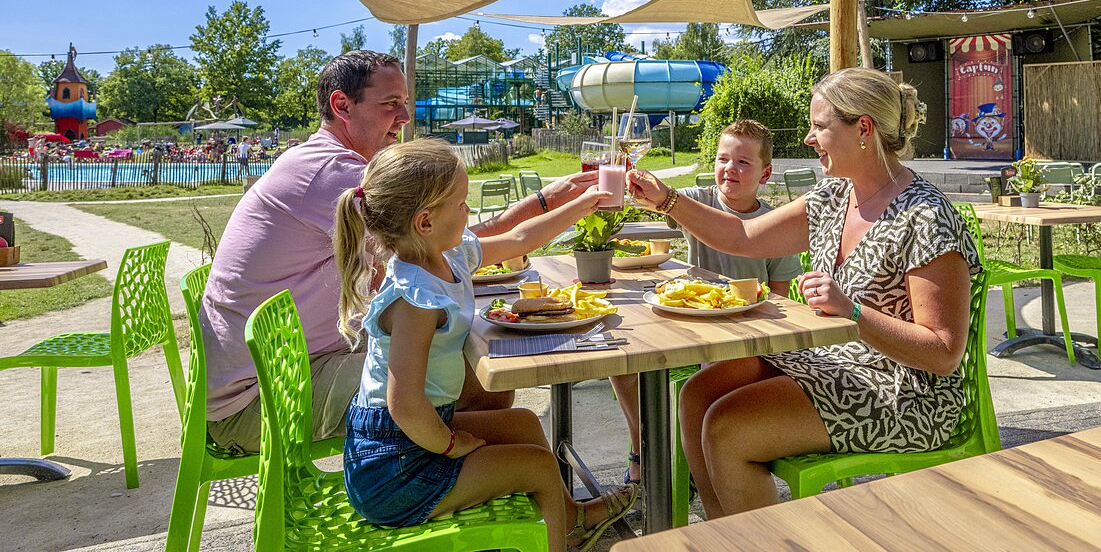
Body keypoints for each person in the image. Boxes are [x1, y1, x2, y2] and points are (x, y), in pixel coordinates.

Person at [200, 50, 596, 452]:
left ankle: (457, 480)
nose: (405, 116)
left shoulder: (321, 161)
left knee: (464, 357)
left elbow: (439, 244)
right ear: (342, 105)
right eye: (391, 104)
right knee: (471, 375)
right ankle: (434, 490)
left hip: (285, 367)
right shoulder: (335, 174)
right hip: (257, 401)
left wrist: (548, 203)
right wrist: (543, 203)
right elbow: (441, 244)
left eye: (405, 102)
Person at [627, 67, 980, 518]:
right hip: (835, 359)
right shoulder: (836, 195)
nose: (810, 139)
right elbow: (744, 237)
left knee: (728, 427)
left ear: (863, 130)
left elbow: (943, 352)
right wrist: (665, 200)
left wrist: (852, 311)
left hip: (906, 392)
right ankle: (727, 538)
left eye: (819, 126)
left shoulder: (926, 216)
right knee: (697, 394)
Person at [335, 139, 637, 550]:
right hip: (394, 469)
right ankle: (566, 534)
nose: (469, 212)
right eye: (461, 204)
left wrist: (582, 204)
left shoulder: (446, 255)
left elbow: (517, 239)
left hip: (411, 439)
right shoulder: (415, 299)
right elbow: (403, 404)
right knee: (537, 465)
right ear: (425, 222)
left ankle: (571, 519)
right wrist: (450, 443)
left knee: (524, 424)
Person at [609, 119, 802, 485]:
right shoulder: (698, 202)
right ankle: (642, 447)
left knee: (715, 393)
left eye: (743, 162)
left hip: (743, 336)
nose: (730, 168)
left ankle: (703, 465)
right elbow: (661, 200)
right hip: (690, 323)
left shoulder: (773, 223)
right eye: (722, 158)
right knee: (623, 359)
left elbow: (780, 295)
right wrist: (639, 183)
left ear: (766, 173)